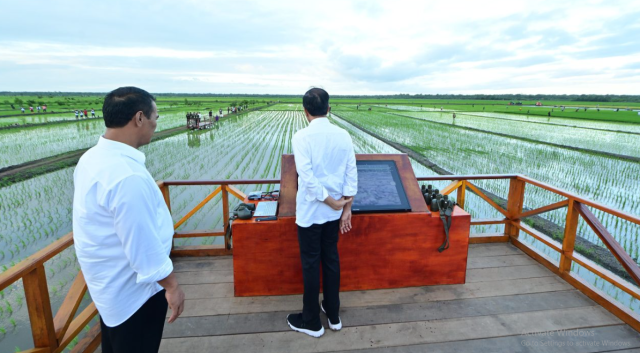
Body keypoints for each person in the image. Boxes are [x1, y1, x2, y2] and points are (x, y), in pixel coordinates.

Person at [73, 86, 185, 353]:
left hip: (108, 289)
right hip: (135, 295)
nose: (156, 124)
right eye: (155, 117)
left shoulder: (91, 158)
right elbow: (141, 245)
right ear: (139, 118)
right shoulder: (126, 176)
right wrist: (172, 287)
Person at [287, 88, 357, 338]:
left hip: (311, 212)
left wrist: (331, 203)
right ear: (329, 108)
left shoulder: (301, 137)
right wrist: (344, 207)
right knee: (331, 259)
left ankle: (312, 322)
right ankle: (334, 314)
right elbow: (351, 172)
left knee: (310, 264)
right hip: (333, 214)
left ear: (305, 111)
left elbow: (307, 178)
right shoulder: (343, 135)